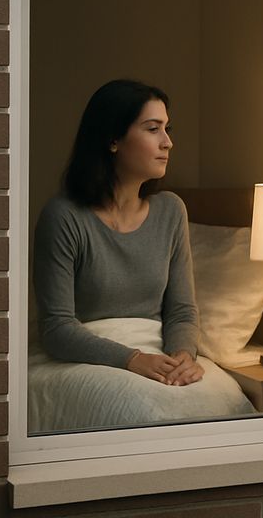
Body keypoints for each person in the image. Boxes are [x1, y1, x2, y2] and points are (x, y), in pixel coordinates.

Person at [34, 79, 203, 387]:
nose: (167, 142)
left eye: (167, 129)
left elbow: (181, 312)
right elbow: (56, 327)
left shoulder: (171, 210)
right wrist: (132, 359)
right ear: (113, 139)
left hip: (158, 354)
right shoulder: (64, 216)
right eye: (153, 129)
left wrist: (183, 357)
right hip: (89, 358)